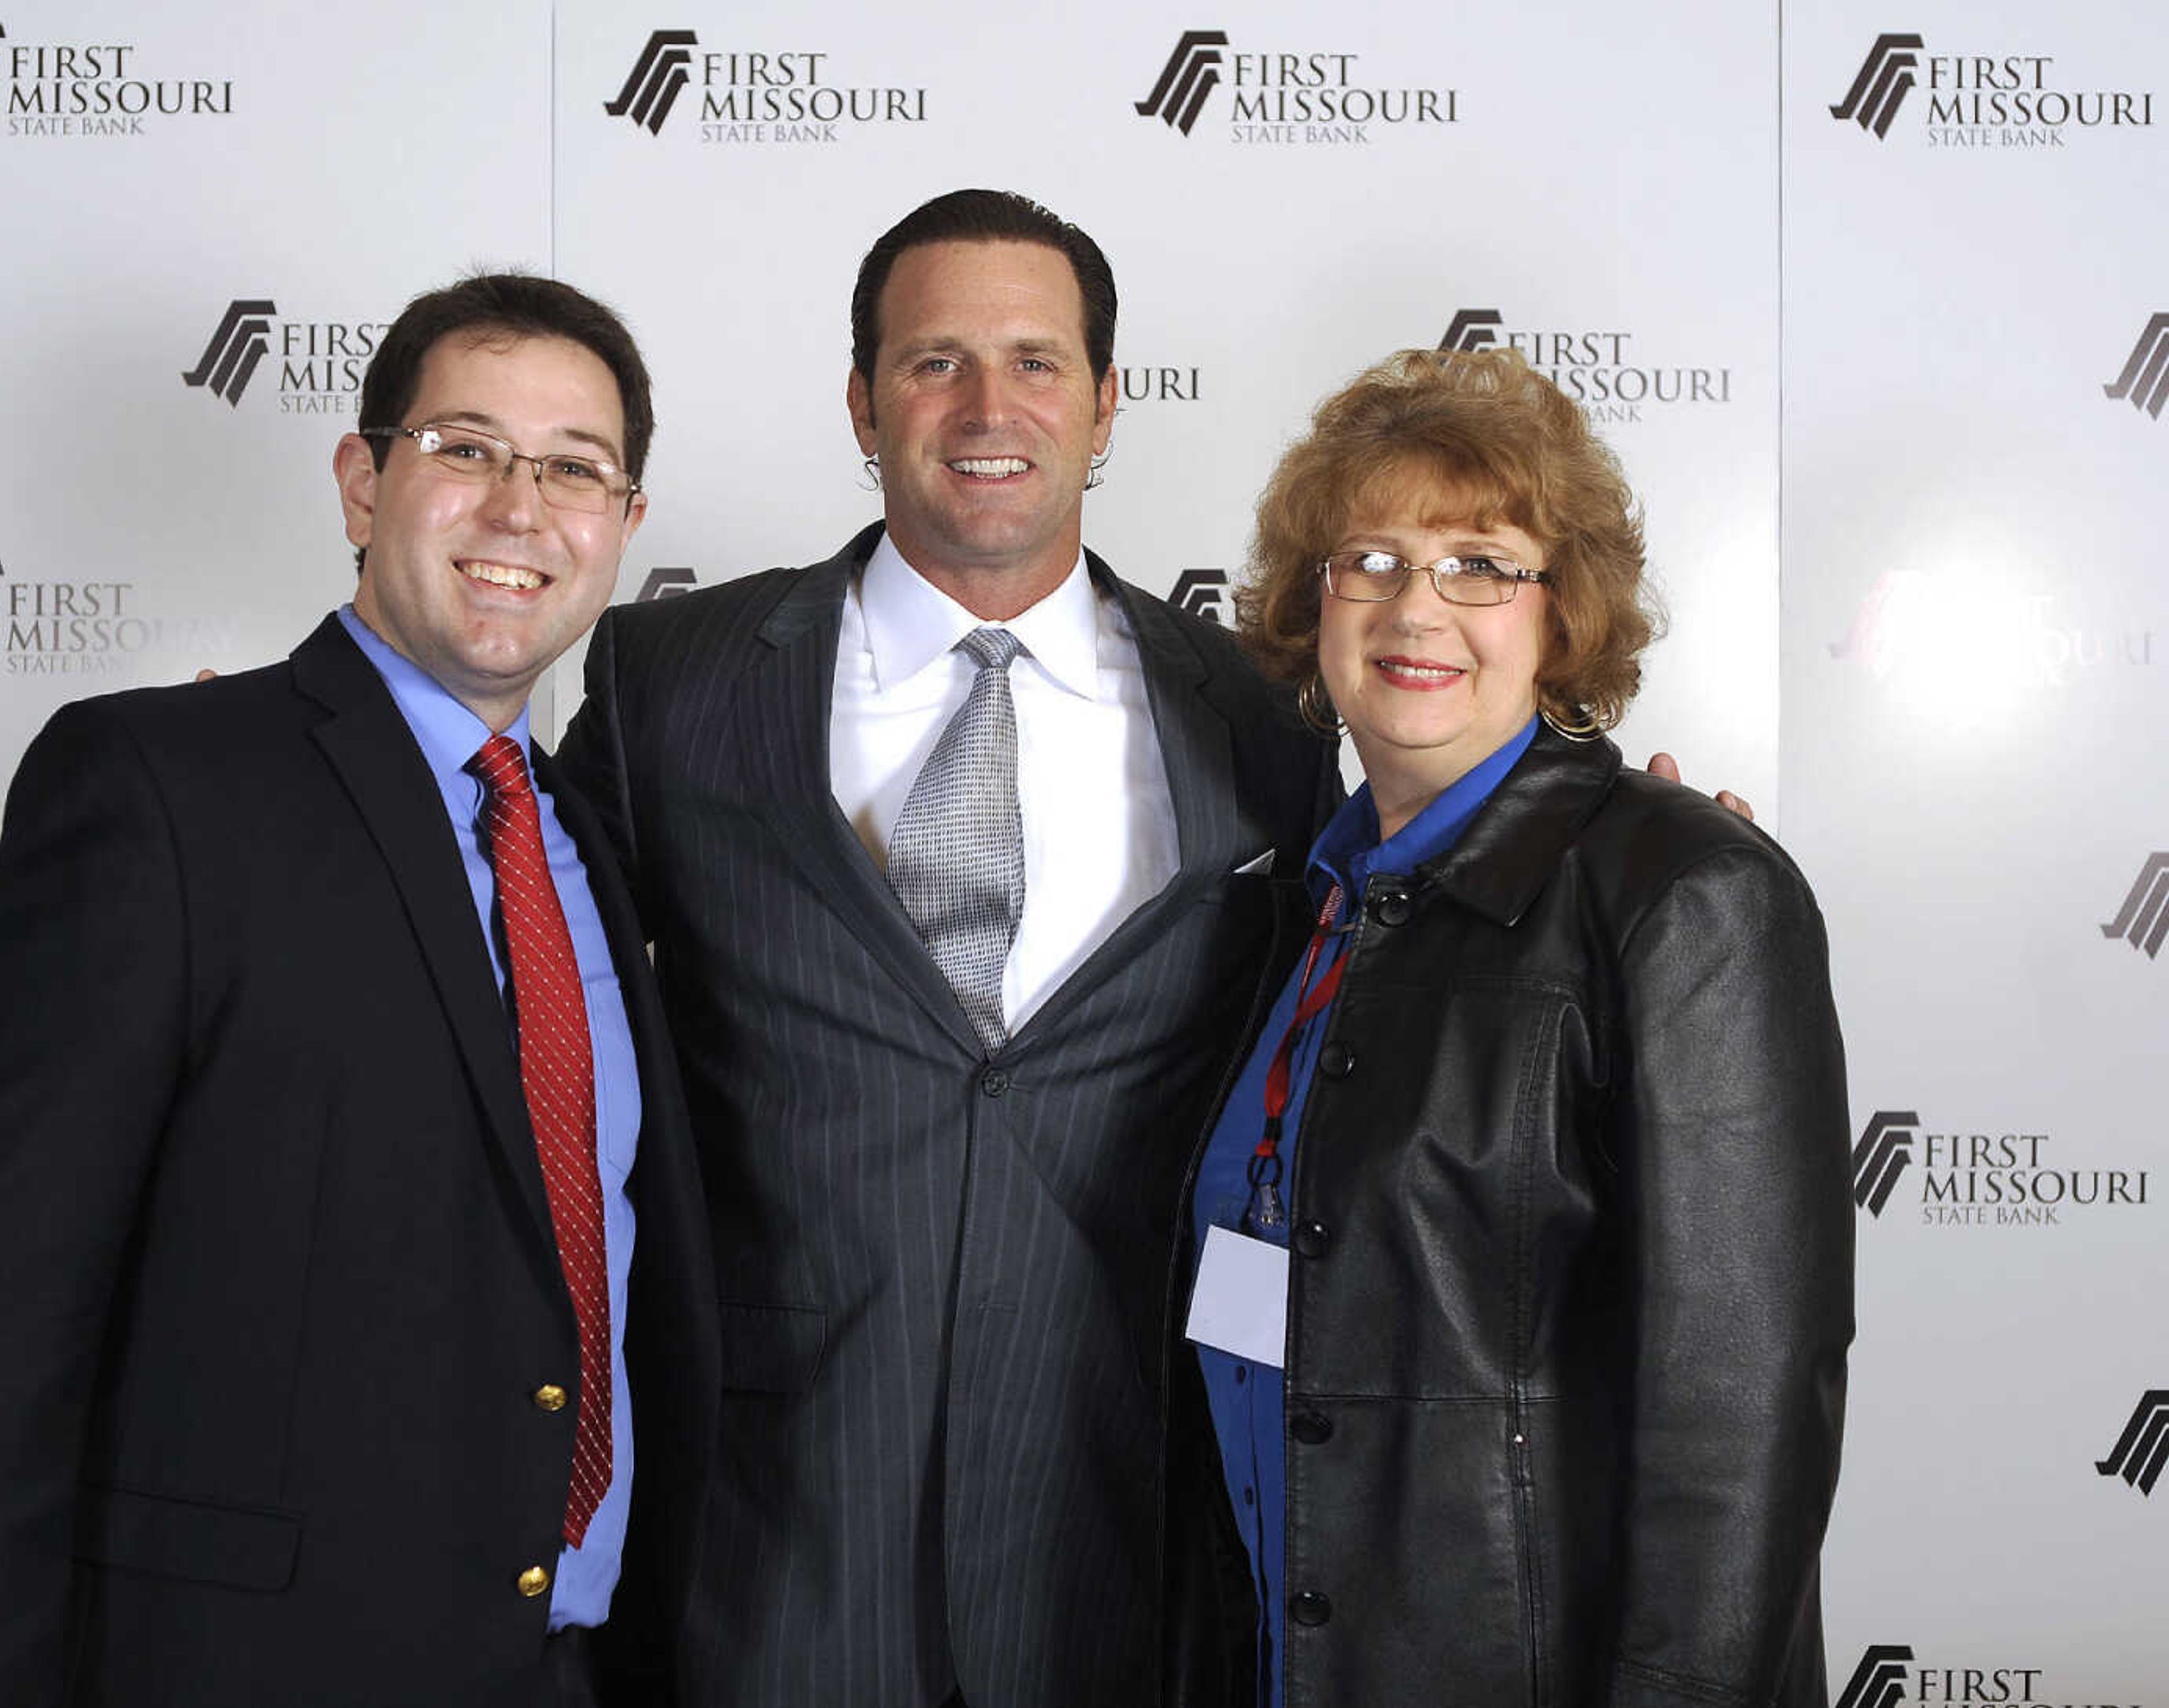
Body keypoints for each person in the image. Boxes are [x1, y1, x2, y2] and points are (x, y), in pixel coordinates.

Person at [0, 274, 716, 1707]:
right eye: (466, 447)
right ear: (364, 484)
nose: (518, 507)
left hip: (572, 1667)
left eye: (573, 469)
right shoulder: (160, 790)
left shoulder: (585, 849)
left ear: (620, 526)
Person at [555, 190, 1338, 1707]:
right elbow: (514, 933)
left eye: (1039, 363)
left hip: (1123, 1556)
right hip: (766, 1556)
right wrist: (336, 821)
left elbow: (1380, 984)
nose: (991, 408)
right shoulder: (677, 681)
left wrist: (1614, 854)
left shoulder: (1264, 716)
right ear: (861, 400)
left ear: (1109, 404)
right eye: (935, 364)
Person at [1178, 346, 1854, 1705]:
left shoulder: (1683, 894)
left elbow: (1739, 1421)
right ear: (1313, 607)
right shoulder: (1300, 906)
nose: (1416, 607)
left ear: (1563, 615)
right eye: (1368, 559)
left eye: (1480, 562)